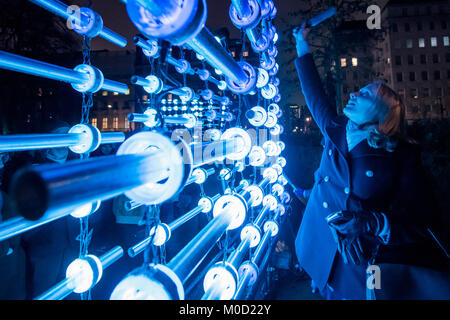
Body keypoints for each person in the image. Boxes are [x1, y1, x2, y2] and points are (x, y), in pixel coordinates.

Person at [292, 22, 449, 300]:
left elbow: (425, 220)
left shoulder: (400, 153)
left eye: (364, 93)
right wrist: (301, 43)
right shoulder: (336, 128)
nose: (353, 93)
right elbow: (315, 94)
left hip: (360, 259)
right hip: (318, 241)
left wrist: (374, 223)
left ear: (381, 111)